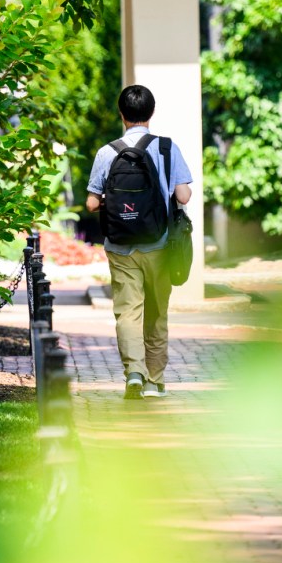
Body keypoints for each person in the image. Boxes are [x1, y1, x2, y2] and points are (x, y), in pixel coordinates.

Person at [86, 85, 193, 399]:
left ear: (121, 114)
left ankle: (134, 371)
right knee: (157, 311)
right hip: (159, 244)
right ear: (151, 113)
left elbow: (92, 204)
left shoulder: (108, 152)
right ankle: (155, 380)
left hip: (120, 246)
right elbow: (183, 195)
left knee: (128, 311)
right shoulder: (166, 149)